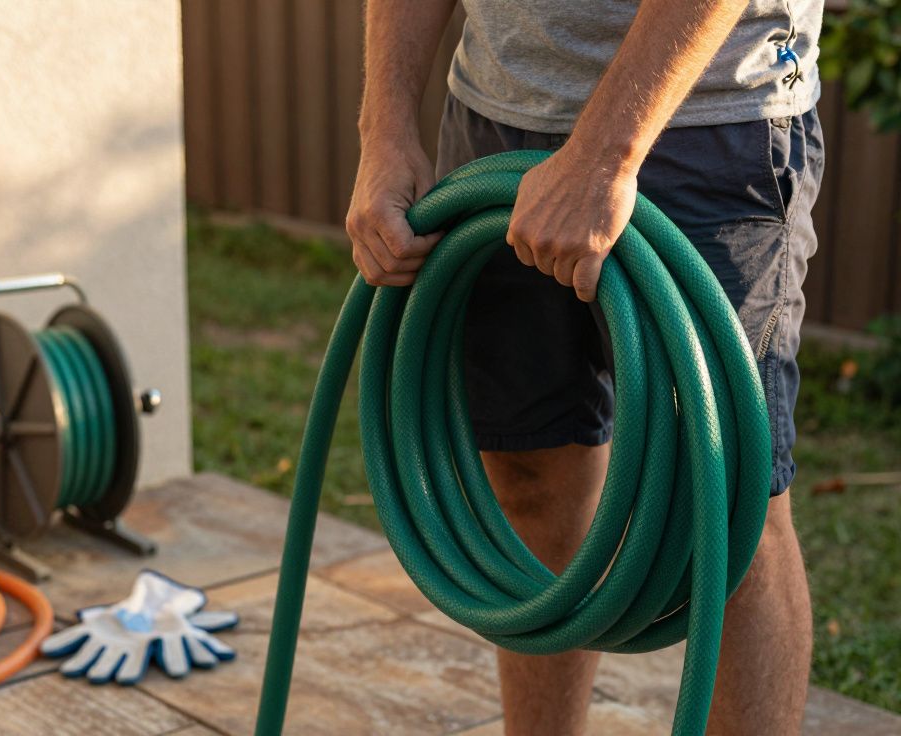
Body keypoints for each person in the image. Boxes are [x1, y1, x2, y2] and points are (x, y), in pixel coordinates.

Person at [346, 1, 824, 734]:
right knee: (528, 470)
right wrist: (384, 129)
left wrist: (606, 154)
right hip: (493, 108)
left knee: (730, 510)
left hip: (708, 118)